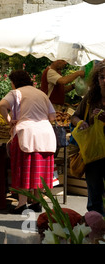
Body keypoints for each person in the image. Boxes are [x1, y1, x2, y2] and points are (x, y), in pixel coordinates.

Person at [0, 70, 57, 214]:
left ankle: (22, 204)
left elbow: (1, 105)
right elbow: (53, 116)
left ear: (14, 82)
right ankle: (37, 202)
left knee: (23, 169)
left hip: (26, 133)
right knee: (39, 171)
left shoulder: (16, 93)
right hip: (46, 134)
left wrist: (9, 120)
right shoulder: (42, 94)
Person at [70, 61, 105, 216]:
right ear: (97, 80)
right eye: (102, 77)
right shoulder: (91, 97)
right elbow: (74, 116)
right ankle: (95, 229)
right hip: (92, 154)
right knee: (94, 193)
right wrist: (81, 123)